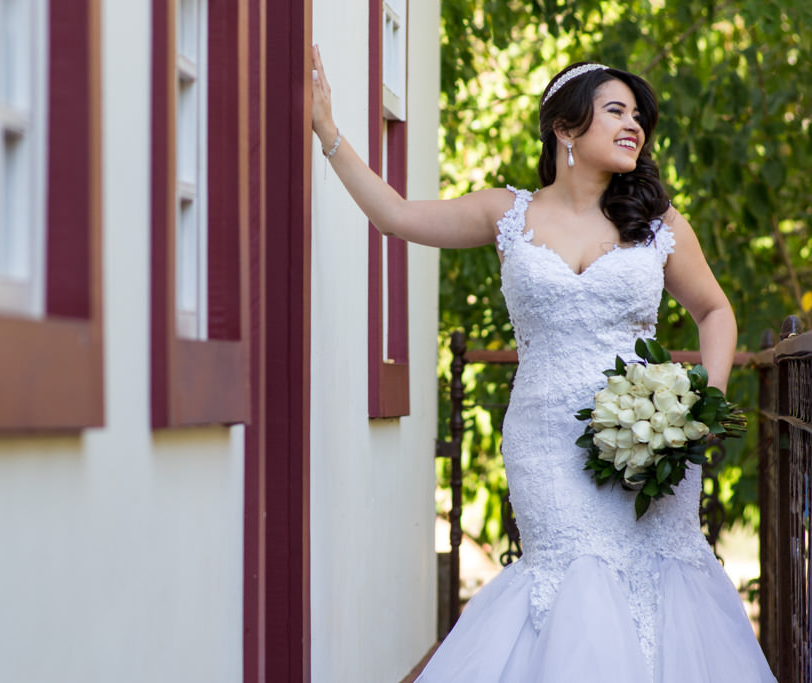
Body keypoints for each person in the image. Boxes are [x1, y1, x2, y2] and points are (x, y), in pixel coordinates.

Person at [311, 45, 776, 682]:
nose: (633, 125)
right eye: (616, 111)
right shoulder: (507, 213)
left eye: (638, 116)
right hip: (546, 445)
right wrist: (328, 132)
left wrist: (699, 409)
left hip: (650, 440)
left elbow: (715, 311)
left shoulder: (657, 222)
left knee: (659, 583)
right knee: (568, 581)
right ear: (565, 128)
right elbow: (394, 217)